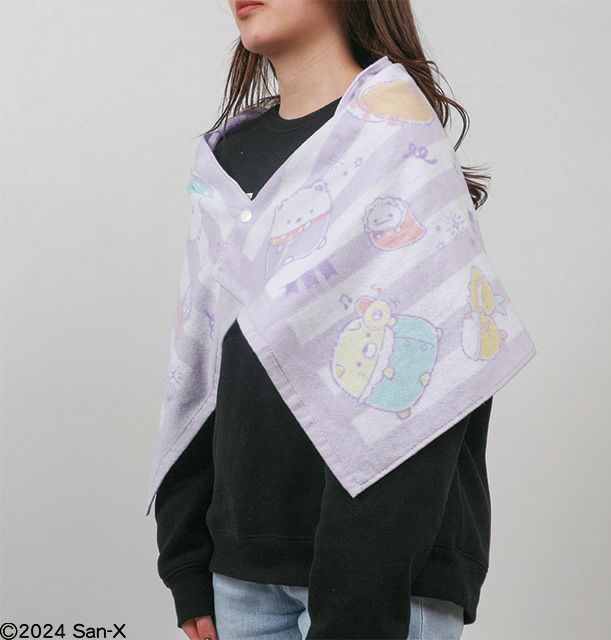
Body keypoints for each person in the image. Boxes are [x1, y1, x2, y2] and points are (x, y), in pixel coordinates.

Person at [154, 1, 495, 638]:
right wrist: (188, 557)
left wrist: (359, 599)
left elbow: (427, 388)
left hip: (382, 580)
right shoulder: (226, 160)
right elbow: (202, 360)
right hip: (241, 571)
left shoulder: (397, 135)